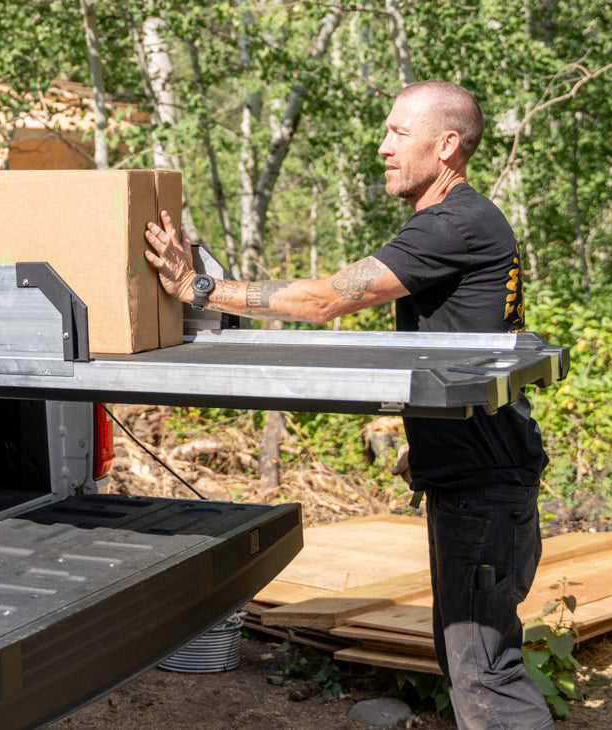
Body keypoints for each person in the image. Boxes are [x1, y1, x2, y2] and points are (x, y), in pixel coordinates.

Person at [142, 80, 554, 730]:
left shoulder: (456, 223)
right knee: (471, 665)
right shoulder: (458, 224)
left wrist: (200, 286)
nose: (383, 147)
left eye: (398, 133)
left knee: (486, 678)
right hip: (478, 476)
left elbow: (325, 300)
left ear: (446, 145)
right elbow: (460, 344)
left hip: (484, 488)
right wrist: (428, 443)